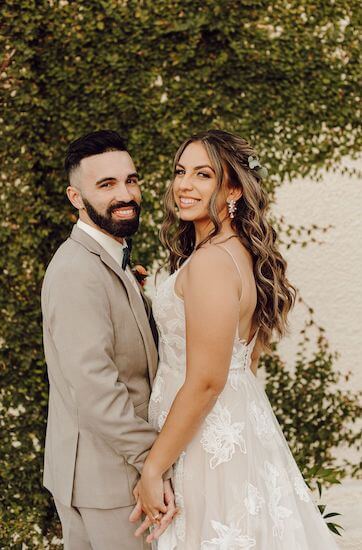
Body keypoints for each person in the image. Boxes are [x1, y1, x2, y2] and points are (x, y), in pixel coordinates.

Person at [131, 130, 339, 549]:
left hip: (205, 441)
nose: (184, 185)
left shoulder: (210, 262)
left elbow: (207, 378)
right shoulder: (236, 251)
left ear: (233, 190)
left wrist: (154, 468)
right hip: (229, 426)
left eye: (203, 175)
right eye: (180, 172)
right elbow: (239, 356)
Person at [41, 130, 176, 550]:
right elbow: (97, 389)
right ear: (75, 197)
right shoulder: (77, 271)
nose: (125, 194)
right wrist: (155, 463)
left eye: (130, 180)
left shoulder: (110, 257)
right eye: (106, 185)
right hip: (108, 481)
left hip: (112, 474)